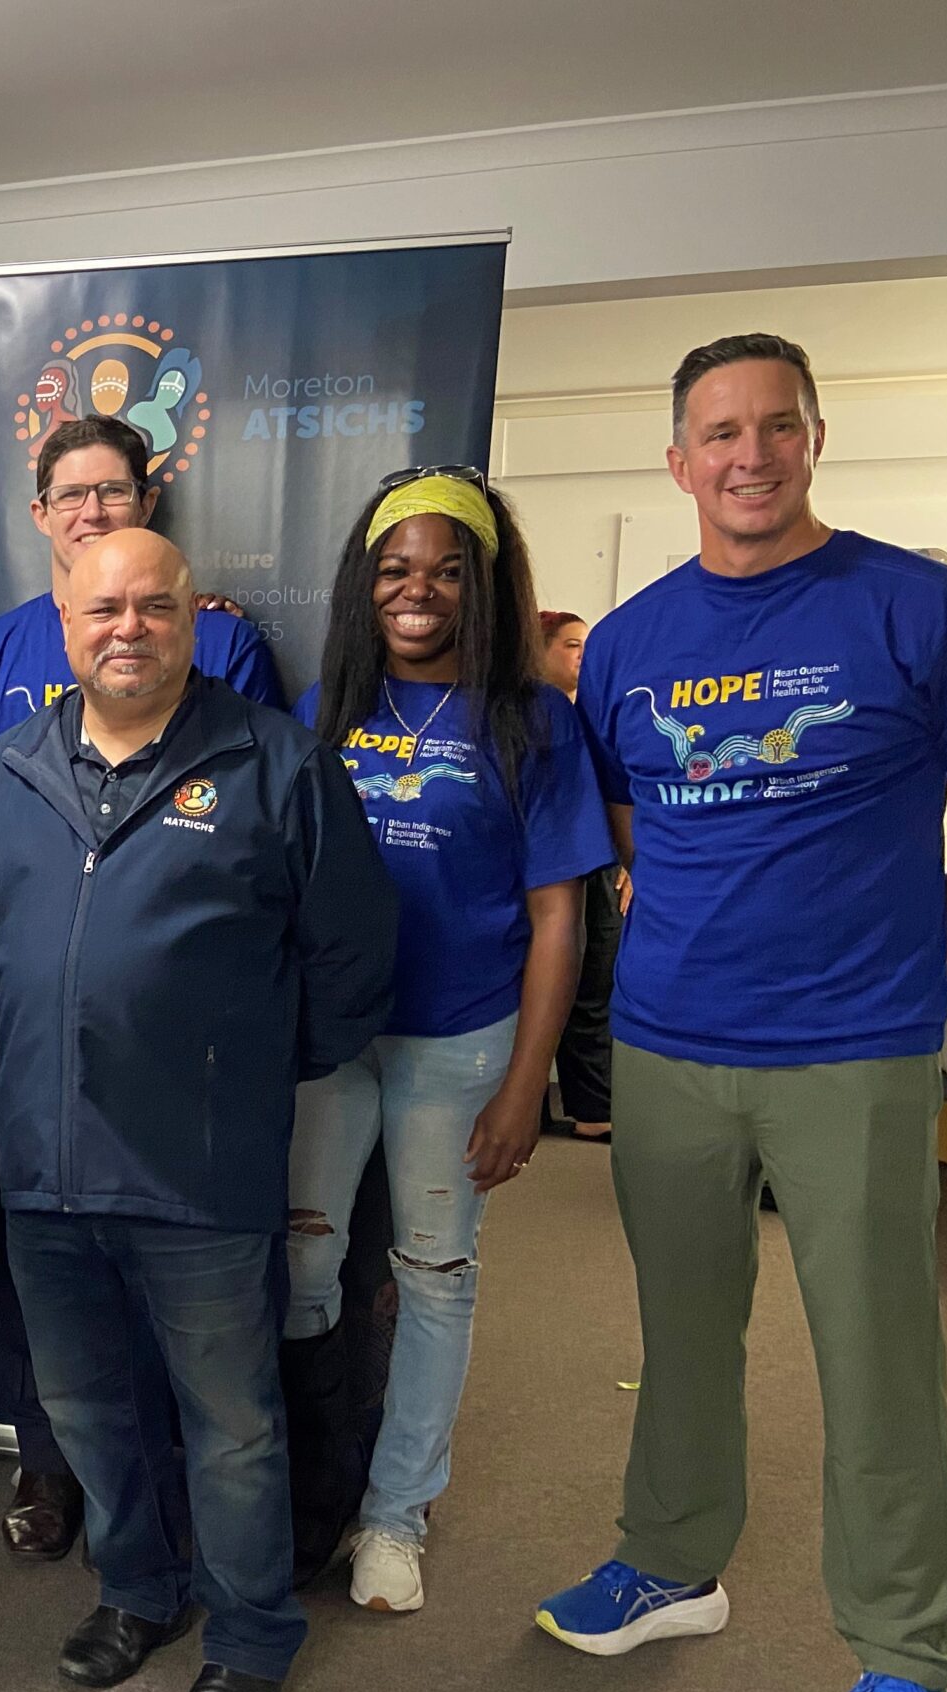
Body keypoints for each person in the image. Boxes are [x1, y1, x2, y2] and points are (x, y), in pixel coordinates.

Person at [539, 333, 947, 1692]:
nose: (748, 455)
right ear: (680, 461)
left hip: (854, 1047)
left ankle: (906, 1653)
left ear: (811, 440)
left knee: (877, 1359)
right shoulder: (629, 641)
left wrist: (922, 944)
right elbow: (616, 818)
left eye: (774, 427)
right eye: (719, 433)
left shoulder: (918, 606)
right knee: (679, 1333)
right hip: (671, 1047)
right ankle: (674, 1565)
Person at [0, 527, 394, 1692]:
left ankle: (249, 1640)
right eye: (103, 609)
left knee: (232, 1421)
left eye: (154, 606)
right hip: (42, 1164)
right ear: (62, 616)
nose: (128, 627)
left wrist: (233, 1067)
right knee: (87, 1408)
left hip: (200, 1165)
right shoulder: (2, 776)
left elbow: (352, 959)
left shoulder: (274, 765)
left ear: (191, 617)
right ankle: (139, 1588)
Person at [0, 414, 289, 1561]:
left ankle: (222, 1588)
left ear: (147, 510)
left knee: (206, 1356)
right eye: (69, 495)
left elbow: (297, 895)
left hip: (188, 1088)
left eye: (113, 492)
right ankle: (77, 1505)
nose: (91, 511)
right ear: (39, 518)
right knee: (55, 1313)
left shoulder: (233, 669)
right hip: (26, 1055)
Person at [285, 471, 612, 1613]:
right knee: (303, 1265)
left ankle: (394, 1516)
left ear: (484, 584)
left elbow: (560, 916)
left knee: (433, 1279)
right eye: (393, 568)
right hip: (329, 1042)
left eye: (445, 569)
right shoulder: (329, 705)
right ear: (362, 585)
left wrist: (529, 1083)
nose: (417, 589)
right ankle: (306, 1490)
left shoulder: (534, 719)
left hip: (461, 1043)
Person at [537, 608, 621, 1139]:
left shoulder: (595, 717)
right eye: (573, 645)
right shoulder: (523, 717)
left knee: (596, 982)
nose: (585, 657)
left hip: (600, 865)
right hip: (545, 868)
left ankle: (592, 1109)